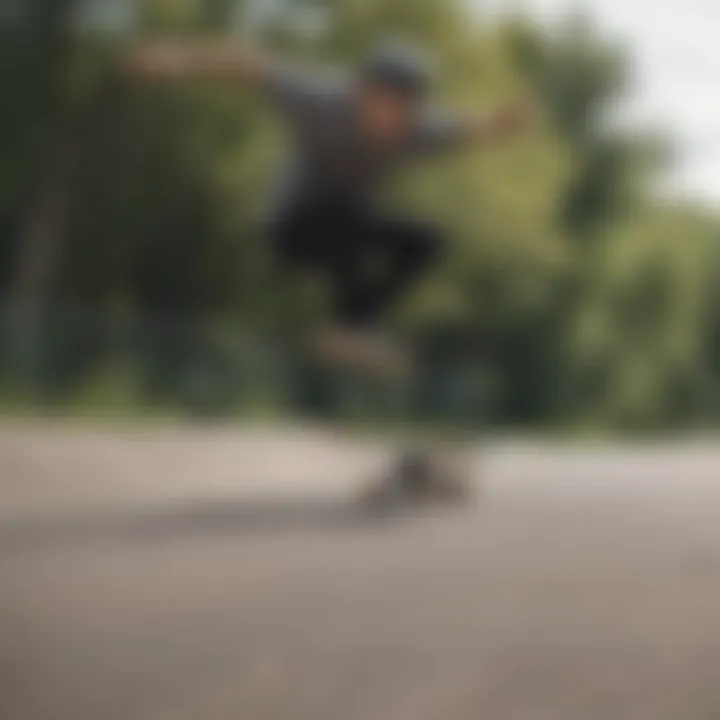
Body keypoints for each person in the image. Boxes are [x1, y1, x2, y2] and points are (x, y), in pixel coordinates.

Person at [124, 39, 534, 375]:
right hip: (288, 226)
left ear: (413, 110)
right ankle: (352, 326)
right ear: (361, 92)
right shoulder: (320, 102)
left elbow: (468, 133)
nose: (387, 119)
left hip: (345, 229)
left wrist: (503, 124)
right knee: (347, 215)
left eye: (401, 110)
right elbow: (250, 66)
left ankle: (355, 327)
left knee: (426, 240)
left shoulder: (418, 132)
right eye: (381, 103)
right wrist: (176, 61)